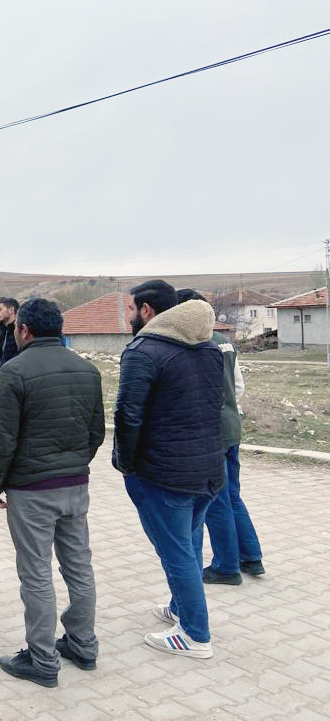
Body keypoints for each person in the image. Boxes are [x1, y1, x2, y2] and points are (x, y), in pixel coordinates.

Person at [0, 299, 105, 687]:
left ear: (24, 330)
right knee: (78, 565)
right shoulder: (88, 370)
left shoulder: (13, 371)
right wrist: (73, 462)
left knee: (36, 572)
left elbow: (0, 439)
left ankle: (41, 658)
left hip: (31, 489)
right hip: (75, 485)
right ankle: (83, 644)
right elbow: (96, 432)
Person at [113, 280, 224, 659]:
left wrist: (125, 463)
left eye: (131, 308)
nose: (129, 316)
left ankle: (195, 635)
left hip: (163, 473)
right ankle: (181, 607)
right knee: (190, 544)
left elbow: (128, 414)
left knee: (176, 551)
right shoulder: (209, 349)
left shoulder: (143, 351)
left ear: (146, 310)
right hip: (208, 467)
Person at [176, 289, 264, 584]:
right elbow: (238, 387)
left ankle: (226, 567)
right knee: (232, 495)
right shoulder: (225, 342)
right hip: (232, 425)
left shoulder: (195, 343)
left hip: (211, 430)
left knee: (215, 501)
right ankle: (251, 557)